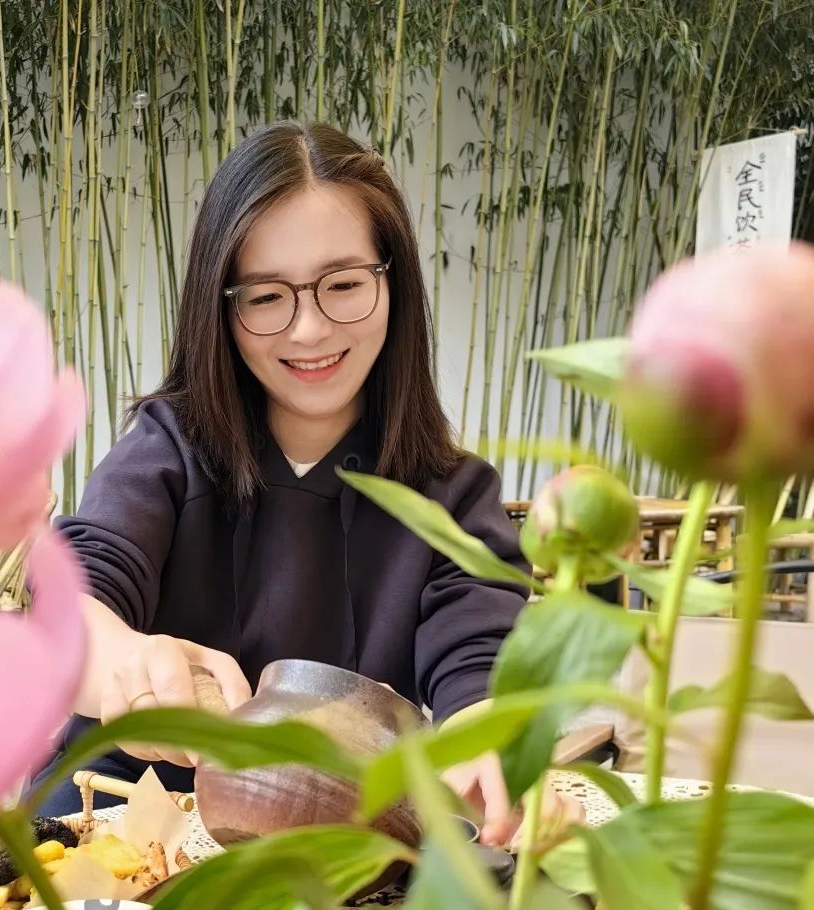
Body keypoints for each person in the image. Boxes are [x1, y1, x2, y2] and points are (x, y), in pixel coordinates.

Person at [32, 121, 530, 844]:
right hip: (119, 825)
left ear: (393, 282)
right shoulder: (168, 449)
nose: (308, 330)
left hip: (337, 855)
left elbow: (478, 668)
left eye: (344, 285)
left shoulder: (453, 498)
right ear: (221, 308)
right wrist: (128, 666)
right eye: (266, 297)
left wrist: (486, 745)